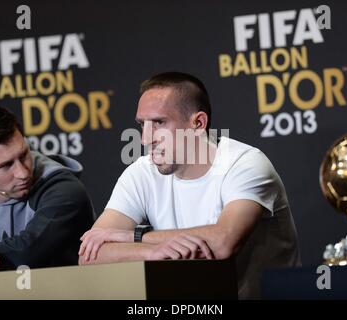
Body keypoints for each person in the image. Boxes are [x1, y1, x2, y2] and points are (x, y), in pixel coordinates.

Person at [79, 72, 301, 299]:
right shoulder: (141, 173)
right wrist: (153, 253)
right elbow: (90, 255)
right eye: (142, 124)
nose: (145, 138)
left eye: (159, 123)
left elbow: (223, 243)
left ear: (197, 123)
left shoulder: (244, 164)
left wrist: (135, 237)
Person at [0, 105, 94, 274]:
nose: (23, 173)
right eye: (6, 165)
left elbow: (25, 256)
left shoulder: (65, 190)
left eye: (24, 154)